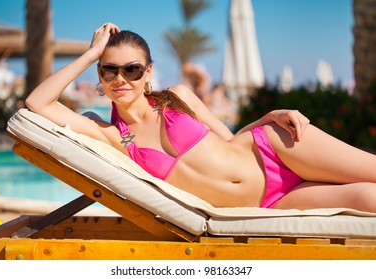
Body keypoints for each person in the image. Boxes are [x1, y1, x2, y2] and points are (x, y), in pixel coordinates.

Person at [25, 22, 376, 212]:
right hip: (267, 202)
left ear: (148, 73)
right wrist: (91, 53)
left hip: (277, 147)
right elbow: (37, 103)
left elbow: (230, 139)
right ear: (99, 76)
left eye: (132, 69)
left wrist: (270, 116)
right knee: (367, 200)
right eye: (109, 70)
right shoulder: (110, 135)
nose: (120, 78)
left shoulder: (177, 96)